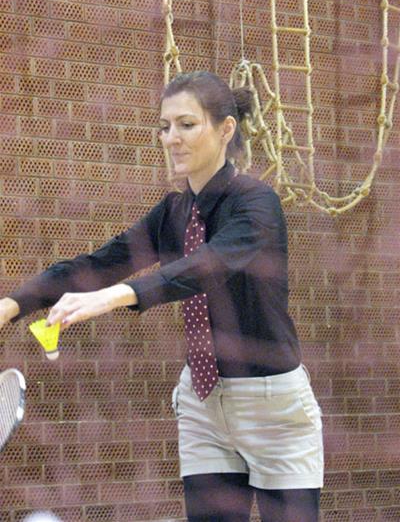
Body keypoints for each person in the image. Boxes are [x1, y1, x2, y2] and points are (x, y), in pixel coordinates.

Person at [0, 71, 323, 521]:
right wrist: (11, 306)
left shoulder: (256, 203)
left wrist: (113, 297)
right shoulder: (173, 212)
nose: (172, 138)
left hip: (272, 407)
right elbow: (99, 263)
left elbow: (205, 267)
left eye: (187, 124)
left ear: (225, 129)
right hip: (203, 404)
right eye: (165, 126)